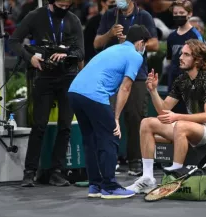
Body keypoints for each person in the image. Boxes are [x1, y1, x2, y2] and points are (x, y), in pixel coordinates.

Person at [126, 39, 206, 194]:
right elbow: (164, 110)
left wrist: (177, 117)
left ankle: (176, 175)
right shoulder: (182, 80)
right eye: (181, 53)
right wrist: (153, 91)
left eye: (186, 54)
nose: (181, 57)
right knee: (147, 123)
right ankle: (147, 179)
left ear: (198, 60)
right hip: (193, 128)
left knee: (180, 125)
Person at [68, 25, 150, 199]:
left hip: (74, 92)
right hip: (93, 94)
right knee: (111, 136)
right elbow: (126, 88)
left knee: (90, 140)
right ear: (141, 43)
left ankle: (95, 186)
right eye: (145, 45)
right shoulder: (135, 55)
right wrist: (116, 118)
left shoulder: (115, 48)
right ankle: (110, 186)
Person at [8, 0, 84, 187]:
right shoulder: (36, 16)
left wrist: (68, 55)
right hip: (44, 76)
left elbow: (81, 52)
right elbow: (14, 41)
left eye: (68, 5)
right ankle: (29, 172)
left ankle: (57, 171)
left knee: (65, 126)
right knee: (39, 126)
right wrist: (30, 57)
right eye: (61, 4)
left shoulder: (73, 20)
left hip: (68, 77)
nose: (64, 8)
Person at [94, 0, 159, 176]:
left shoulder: (143, 16)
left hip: (137, 74)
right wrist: (110, 34)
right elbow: (97, 43)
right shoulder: (109, 15)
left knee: (135, 117)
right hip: (113, 74)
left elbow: (155, 44)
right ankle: (110, 158)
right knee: (108, 115)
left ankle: (135, 160)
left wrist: (131, 42)